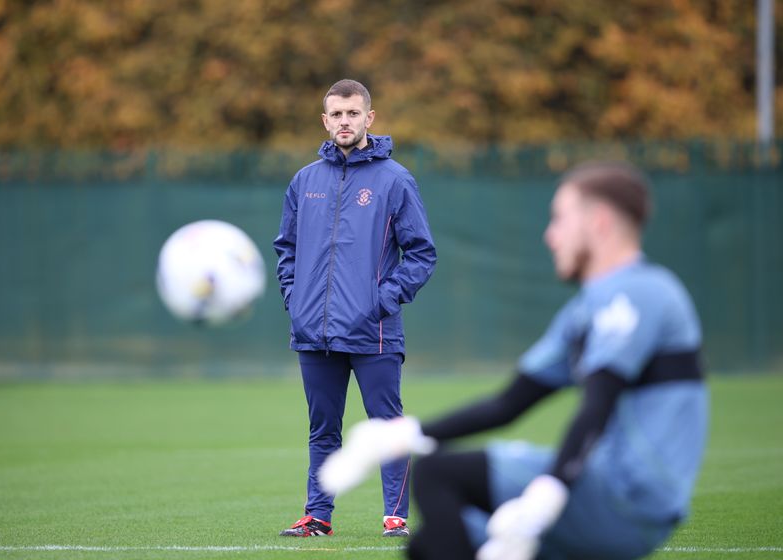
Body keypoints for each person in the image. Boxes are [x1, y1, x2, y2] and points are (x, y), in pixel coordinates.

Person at [319, 161, 708, 559]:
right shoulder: (586, 309)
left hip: (631, 498)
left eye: (559, 219)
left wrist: (546, 495)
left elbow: (599, 403)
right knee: (430, 545)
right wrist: (399, 436)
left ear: (600, 222)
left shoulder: (640, 293)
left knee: (437, 474)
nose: (550, 235)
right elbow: (509, 404)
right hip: (600, 487)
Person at [273, 79, 437, 538]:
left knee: (388, 427)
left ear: (369, 118)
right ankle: (317, 517)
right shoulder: (304, 181)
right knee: (322, 430)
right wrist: (295, 298)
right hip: (314, 332)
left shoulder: (395, 179)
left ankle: (396, 518)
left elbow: (422, 254)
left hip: (374, 332)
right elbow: (285, 248)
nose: (345, 121)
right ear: (325, 122)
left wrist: (380, 301)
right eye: (336, 115)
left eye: (353, 113)